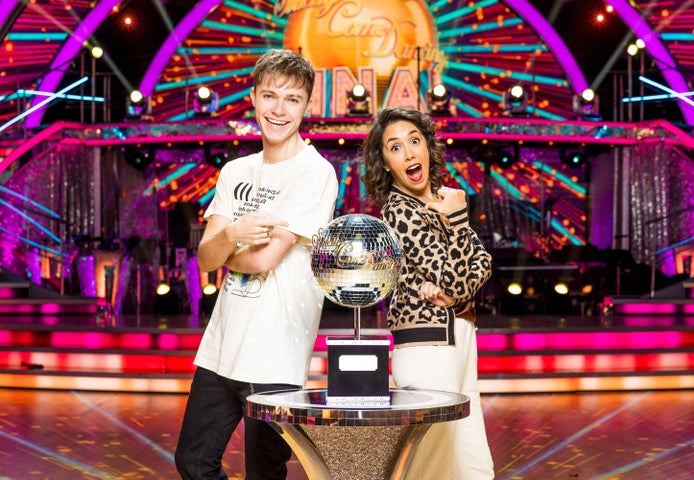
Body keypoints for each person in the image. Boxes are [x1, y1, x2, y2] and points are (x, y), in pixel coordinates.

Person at [175, 49, 338, 480]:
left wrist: (228, 246)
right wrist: (231, 234)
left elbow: (266, 258)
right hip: (220, 348)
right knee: (193, 461)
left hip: (276, 356)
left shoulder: (314, 172)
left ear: (307, 106)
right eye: (270, 96)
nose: (279, 110)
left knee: (264, 474)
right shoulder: (234, 171)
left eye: (292, 99)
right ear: (253, 98)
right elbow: (206, 260)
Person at [362, 107, 494, 479]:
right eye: (395, 147)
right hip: (427, 342)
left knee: (470, 458)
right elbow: (455, 280)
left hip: (461, 331)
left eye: (414, 141)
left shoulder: (443, 200)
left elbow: (482, 265)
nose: (408, 153)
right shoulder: (399, 211)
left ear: (427, 147)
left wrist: (456, 292)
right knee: (433, 462)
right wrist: (458, 223)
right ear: (386, 163)